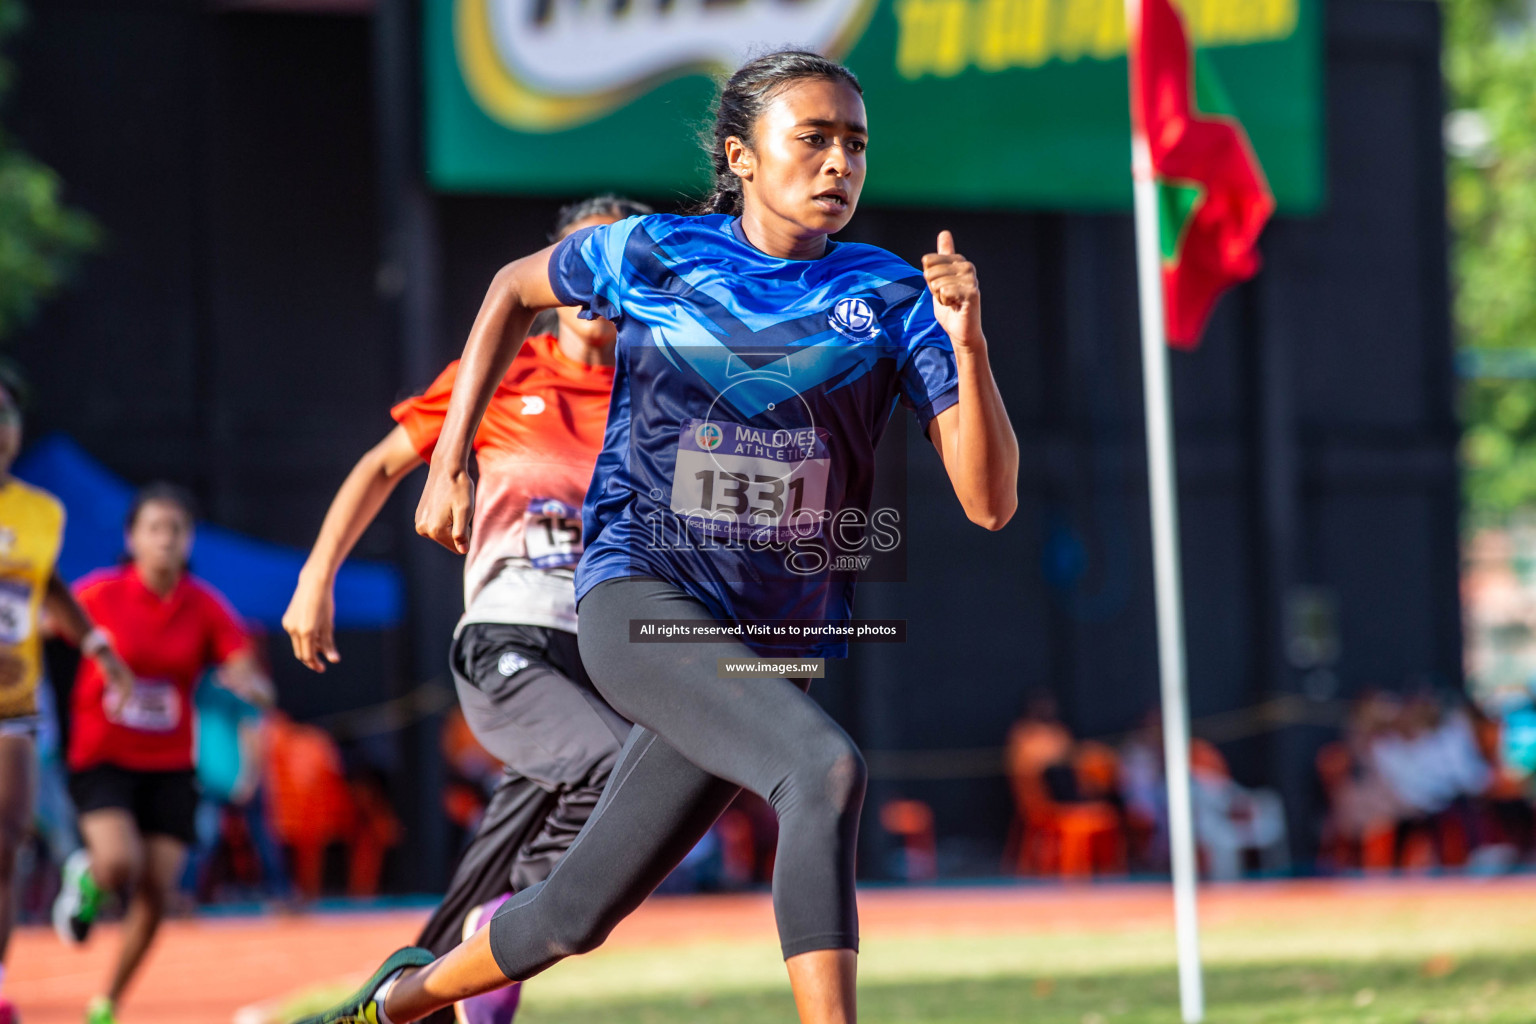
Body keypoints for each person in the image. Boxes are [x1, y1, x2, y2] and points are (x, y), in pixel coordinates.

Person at [295, 49, 1017, 1024]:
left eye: (855, 143)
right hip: (640, 597)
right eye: (813, 139)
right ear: (743, 155)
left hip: (772, 644)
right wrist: (456, 451)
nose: (840, 163)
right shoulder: (657, 252)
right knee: (826, 766)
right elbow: (512, 289)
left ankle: (387, 1009)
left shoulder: (890, 298)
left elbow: (988, 501)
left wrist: (968, 344)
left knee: (574, 914)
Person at [282, 196, 649, 1024]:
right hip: (510, 637)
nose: (595, 284)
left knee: (507, 861)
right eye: (578, 264)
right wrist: (317, 576)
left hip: (610, 654)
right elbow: (382, 467)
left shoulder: (659, 393)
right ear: (551, 277)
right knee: (613, 771)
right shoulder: (503, 374)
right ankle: (507, 931)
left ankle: (398, 999)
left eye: (616, 264)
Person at [51, 483, 274, 1024]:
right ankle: (88, 881)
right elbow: (43, 619)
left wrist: (249, 684)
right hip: (104, 756)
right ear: (132, 538)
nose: (165, 541)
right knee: (120, 862)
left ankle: (108, 1001)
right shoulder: (100, 594)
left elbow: (243, 664)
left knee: (157, 888)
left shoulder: (203, 605)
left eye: (176, 530)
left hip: (171, 764)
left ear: (189, 540)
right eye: (154, 529)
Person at [0, 375, 135, 1024]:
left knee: (7, 844)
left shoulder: (40, 512)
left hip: (15, 701)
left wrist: (98, 647)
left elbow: (47, 586)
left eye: (5, 416)